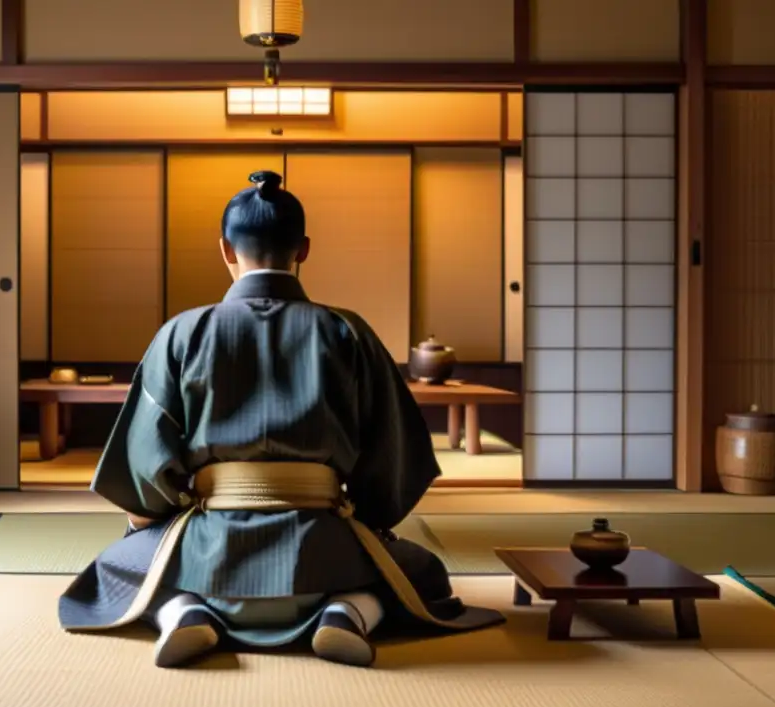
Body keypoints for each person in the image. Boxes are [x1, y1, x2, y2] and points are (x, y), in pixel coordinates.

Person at [59, 170, 504, 668]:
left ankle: (184, 611)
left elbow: (144, 466)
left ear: (226, 249)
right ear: (304, 249)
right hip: (325, 549)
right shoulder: (346, 331)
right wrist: (367, 520)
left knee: (114, 568)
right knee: (424, 572)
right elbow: (391, 457)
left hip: (210, 549)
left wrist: (151, 518)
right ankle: (346, 610)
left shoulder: (184, 332)